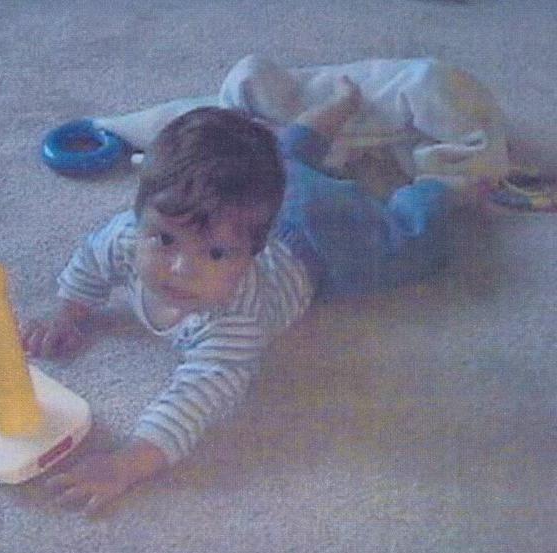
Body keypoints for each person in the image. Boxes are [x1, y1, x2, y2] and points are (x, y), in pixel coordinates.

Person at [22, 77, 457, 516]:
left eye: (215, 254)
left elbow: (195, 398)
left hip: (319, 239)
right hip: (276, 192)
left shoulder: (234, 322)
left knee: (407, 247)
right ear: (139, 216)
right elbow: (91, 262)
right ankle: (336, 107)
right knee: (284, 159)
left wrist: (127, 464)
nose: (181, 268)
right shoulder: (124, 238)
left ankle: (446, 186)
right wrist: (68, 314)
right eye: (165, 239)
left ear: (253, 254)